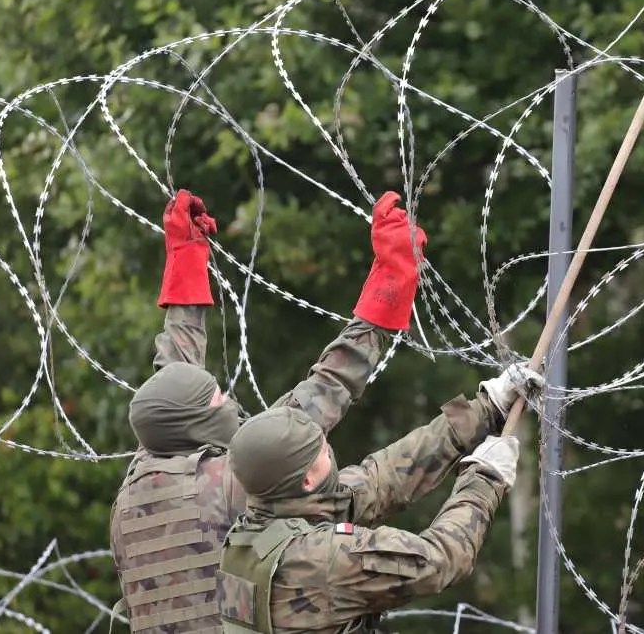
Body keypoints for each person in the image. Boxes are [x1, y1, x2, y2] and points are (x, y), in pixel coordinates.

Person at [110, 188, 428, 632]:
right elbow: (327, 389)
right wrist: (391, 278)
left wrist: (186, 258)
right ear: (198, 421)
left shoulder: (139, 483)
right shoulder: (234, 480)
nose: (231, 403)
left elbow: (173, 383)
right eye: (220, 400)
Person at [215, 350, 544, 633]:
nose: (329, 449)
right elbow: (440, 560)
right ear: (305, 481)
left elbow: (385, 475)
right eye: (320, 451)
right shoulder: (323, 560)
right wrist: (484, 477)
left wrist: (486, 407)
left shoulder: (257, 532)